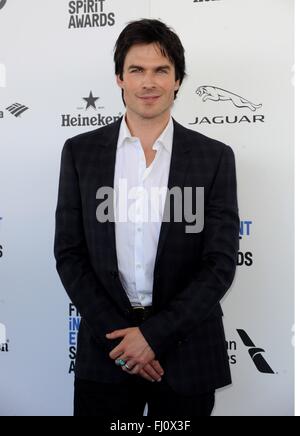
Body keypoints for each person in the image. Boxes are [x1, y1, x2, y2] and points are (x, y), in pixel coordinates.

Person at [54, 18, 239, 417]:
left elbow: (220, 263)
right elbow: (70, 254)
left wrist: (154, 336)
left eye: (161, 70)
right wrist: (125, 343)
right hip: (107, 351)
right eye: (136, 70)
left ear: (178, 80)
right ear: (119, 78)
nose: (148, 82)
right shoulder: (80, 154)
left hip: (187, 351)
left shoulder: (214, 157)